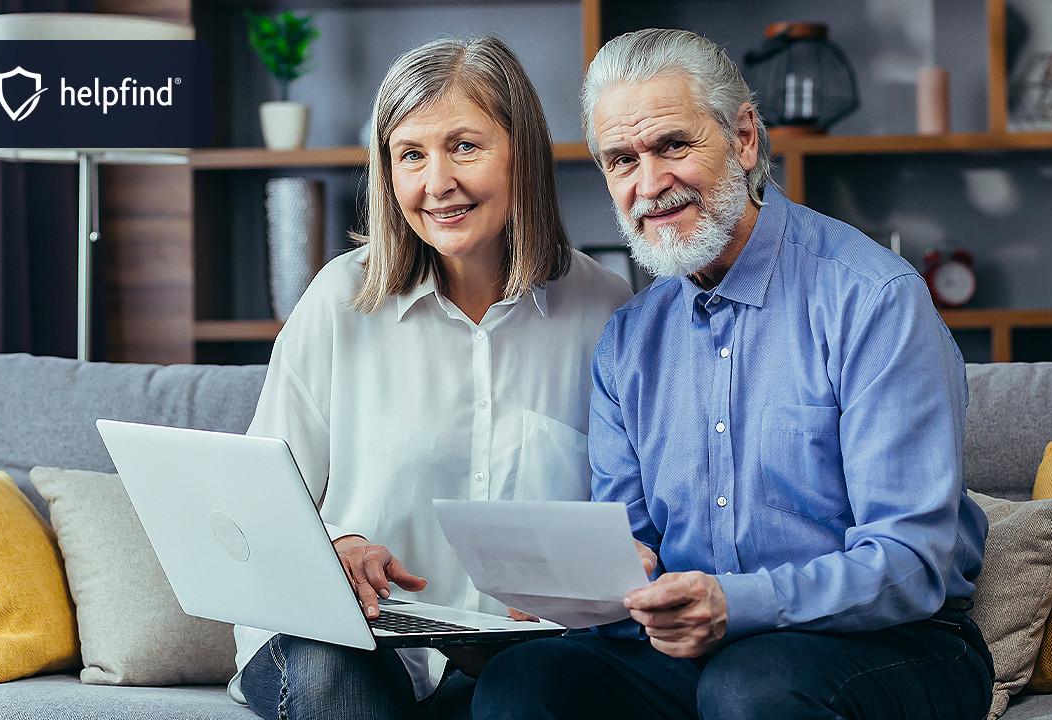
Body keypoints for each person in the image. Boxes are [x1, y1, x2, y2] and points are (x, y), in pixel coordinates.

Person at [472, 28, 995, 720]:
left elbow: (910, 563)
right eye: (621, 160)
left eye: (673, 145)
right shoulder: (628, 340)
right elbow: (634, 546)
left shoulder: (872, 299)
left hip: (899, 641)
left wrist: (736, 604)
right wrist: (584, 588)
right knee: (522, 682)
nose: (650, 184)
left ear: (743, 138)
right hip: (698, 651)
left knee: (751, 686)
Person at [229, 36, 632, 720]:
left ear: (522, 152)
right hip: (342, 640)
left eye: (464, 147)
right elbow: (250, 507)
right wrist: (335, 548)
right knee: (335, 670)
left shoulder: (606, 310)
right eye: (410, 155)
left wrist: (574, 594)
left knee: (538, 689)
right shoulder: (340, 301)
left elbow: (631, 523)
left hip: (520, 655)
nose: (436, 182)